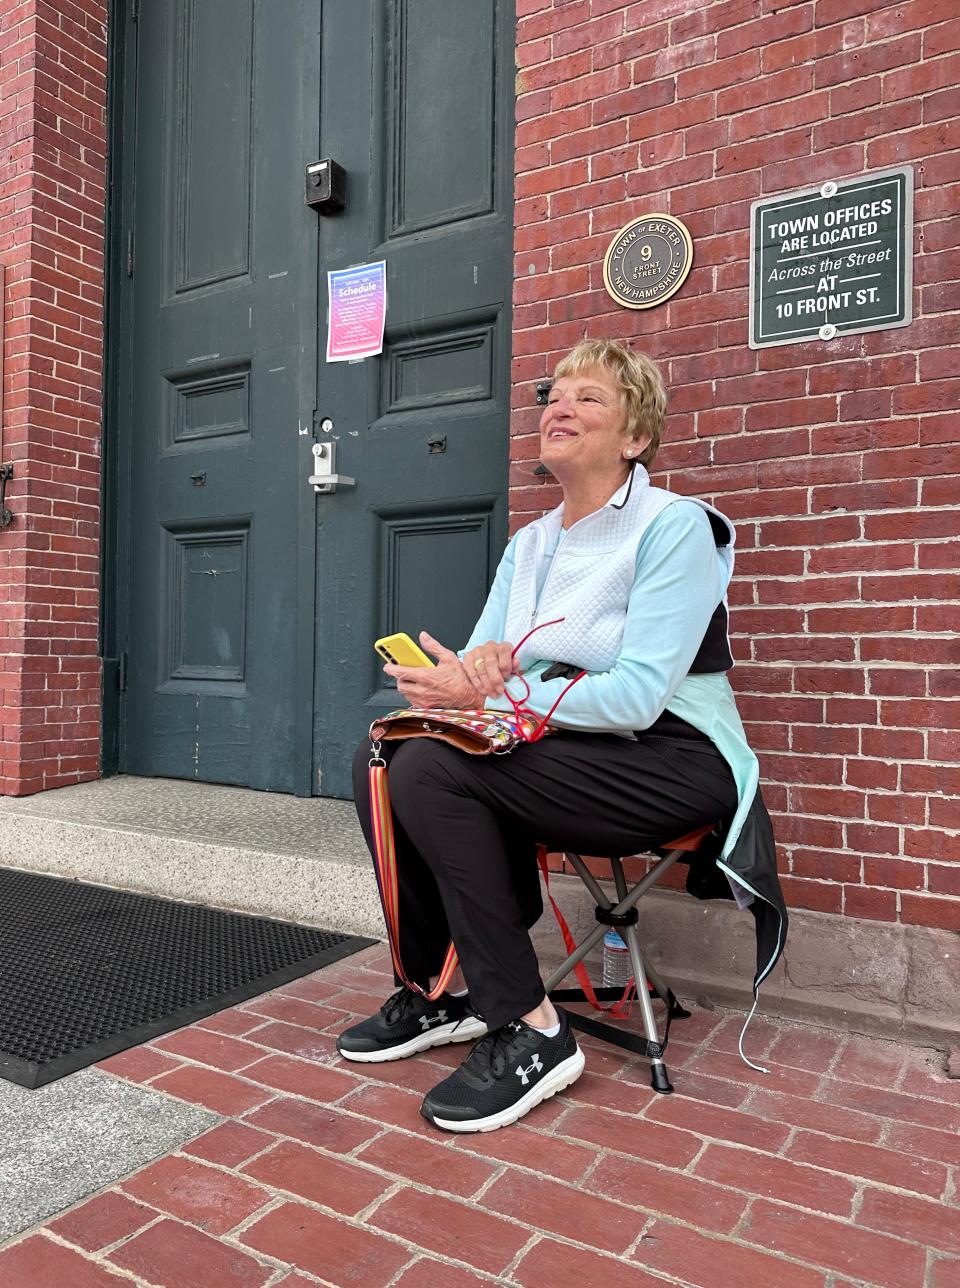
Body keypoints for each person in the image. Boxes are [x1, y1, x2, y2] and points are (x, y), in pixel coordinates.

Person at [337, 338, 787, 1133]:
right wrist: (454, 687)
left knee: (433, 771)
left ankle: (534, 1030)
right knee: (391, 753)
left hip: (671, 757)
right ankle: (447, 991)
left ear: (636, 436)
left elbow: (640, 698)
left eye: (589, 398)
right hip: (561, 749)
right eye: (555, 395)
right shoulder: (531, 544)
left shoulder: (674, 526)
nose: (559, 408)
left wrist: (496, 700)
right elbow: (487, 673)